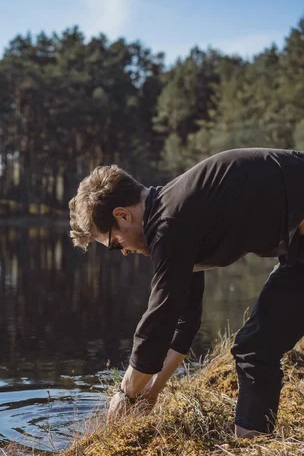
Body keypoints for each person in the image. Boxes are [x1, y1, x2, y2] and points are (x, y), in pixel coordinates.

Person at [68, 148, 304, 438]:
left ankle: (251, 444)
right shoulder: (175, 214)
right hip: (298, 249)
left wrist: (125, 394)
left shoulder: (169, 225)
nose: (126, 252)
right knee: (254, 348)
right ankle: (251, 445)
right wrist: (152, 391)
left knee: (256, 347)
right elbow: (184, 319)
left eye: (115, 243)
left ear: (123, 215)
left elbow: (159, 317)